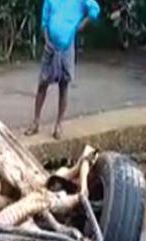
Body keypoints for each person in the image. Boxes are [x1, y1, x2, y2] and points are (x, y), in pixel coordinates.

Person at [24, 0, 100, 139]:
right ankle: (35, 122)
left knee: (63, 86)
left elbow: (94, 10)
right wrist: (47, 40)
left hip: (67, 46)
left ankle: (58, 125)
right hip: (50, 46)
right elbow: (44, 21)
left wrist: (79, 26)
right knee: (42, 84)